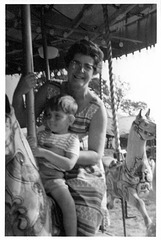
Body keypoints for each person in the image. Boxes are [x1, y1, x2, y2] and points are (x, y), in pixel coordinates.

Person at [12, 39, 108, 236]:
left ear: (94, 72)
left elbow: (96, 154)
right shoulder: (50, 90)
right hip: (43, 161)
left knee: (80, 211)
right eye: (75, 63)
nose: (80, 70)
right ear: (68, 64)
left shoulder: (96, 108)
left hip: (77, 167)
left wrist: (56, 153)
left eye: (87, 66)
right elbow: (22, 120)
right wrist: (20, 91)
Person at [28, 94, 80, 236]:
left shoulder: (72, 139)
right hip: (33, 177)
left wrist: (44, 153)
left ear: (70, 120)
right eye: (48, 115)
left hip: (54, 180)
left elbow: (69, 164)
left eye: (57, 116)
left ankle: (71, 236)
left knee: (69, 206)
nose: (51, 119)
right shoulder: (41, 134)